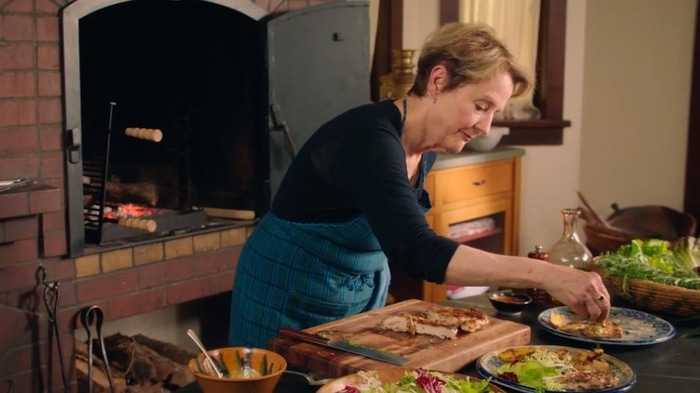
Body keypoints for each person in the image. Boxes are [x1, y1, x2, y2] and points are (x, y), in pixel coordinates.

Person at [228, 23, 610, 349]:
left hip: (349, 295)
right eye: (481, 106)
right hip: (286, 290)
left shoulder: (424, 147)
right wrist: (547, 274)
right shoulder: (371, 139)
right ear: (438, 80)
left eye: (494, 112)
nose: (485, 126)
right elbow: (418, 250)